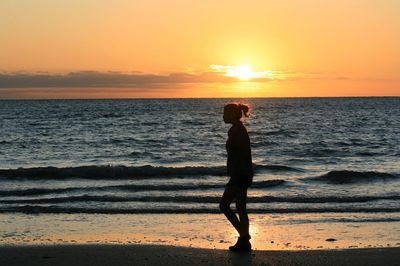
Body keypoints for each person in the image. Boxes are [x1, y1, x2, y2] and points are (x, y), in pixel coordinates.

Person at [220, 103, 253, 251]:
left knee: (224, 205)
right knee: (241, 208)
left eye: (225, 113)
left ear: (233, 115)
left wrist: (237, 175)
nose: (223, 116)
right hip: (242, 173)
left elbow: (241, 155)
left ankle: (244, 237)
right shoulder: (237, 129)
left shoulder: (238, 131)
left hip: (240, 174)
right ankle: (244, 241)